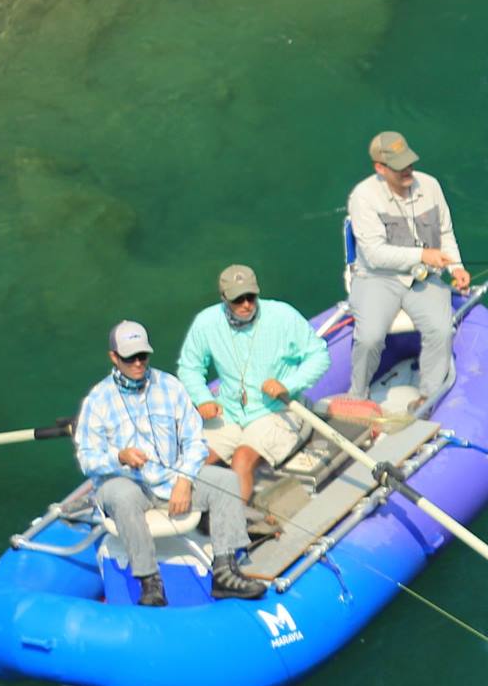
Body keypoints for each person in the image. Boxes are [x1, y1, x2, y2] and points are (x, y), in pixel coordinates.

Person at [74, 320, 264, 604]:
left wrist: (185, 481)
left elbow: (196, 442)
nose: (138, 363)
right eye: (129, 358)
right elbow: (87, 459)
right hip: (127, 485)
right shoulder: (97, 400)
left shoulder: (170, 387)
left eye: (143, 355)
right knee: (123, 495)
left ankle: (225, 571)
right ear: (114, 357)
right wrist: (119, 456)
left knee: (225, 480)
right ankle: (149, 582)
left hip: (171, 483)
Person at [176, 264, 329, 505]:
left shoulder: (283, 315)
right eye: (238, 300)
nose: (246, 304)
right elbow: (190, 367)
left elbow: (319, 355)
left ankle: (234, 530)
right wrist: (203, 397)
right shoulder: (206, 323)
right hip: (230, 410)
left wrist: (288, 384)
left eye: (251, 296)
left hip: (277, 410)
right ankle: (186, 513)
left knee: (242, 459)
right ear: (224, 298)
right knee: (195, 457)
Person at [346, 130, 470, 409]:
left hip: (424, 277)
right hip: (378, 278)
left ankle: (428, 397)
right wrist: (423, 254)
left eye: (409, 162)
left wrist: (456, 268)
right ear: (380, 168)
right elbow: (375, 255)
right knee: (369, 337)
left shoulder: (431, 186)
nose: (407, 170)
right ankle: (356, 397)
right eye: (399, 166)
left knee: (440, 329)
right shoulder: (363, 197)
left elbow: (445, 232)